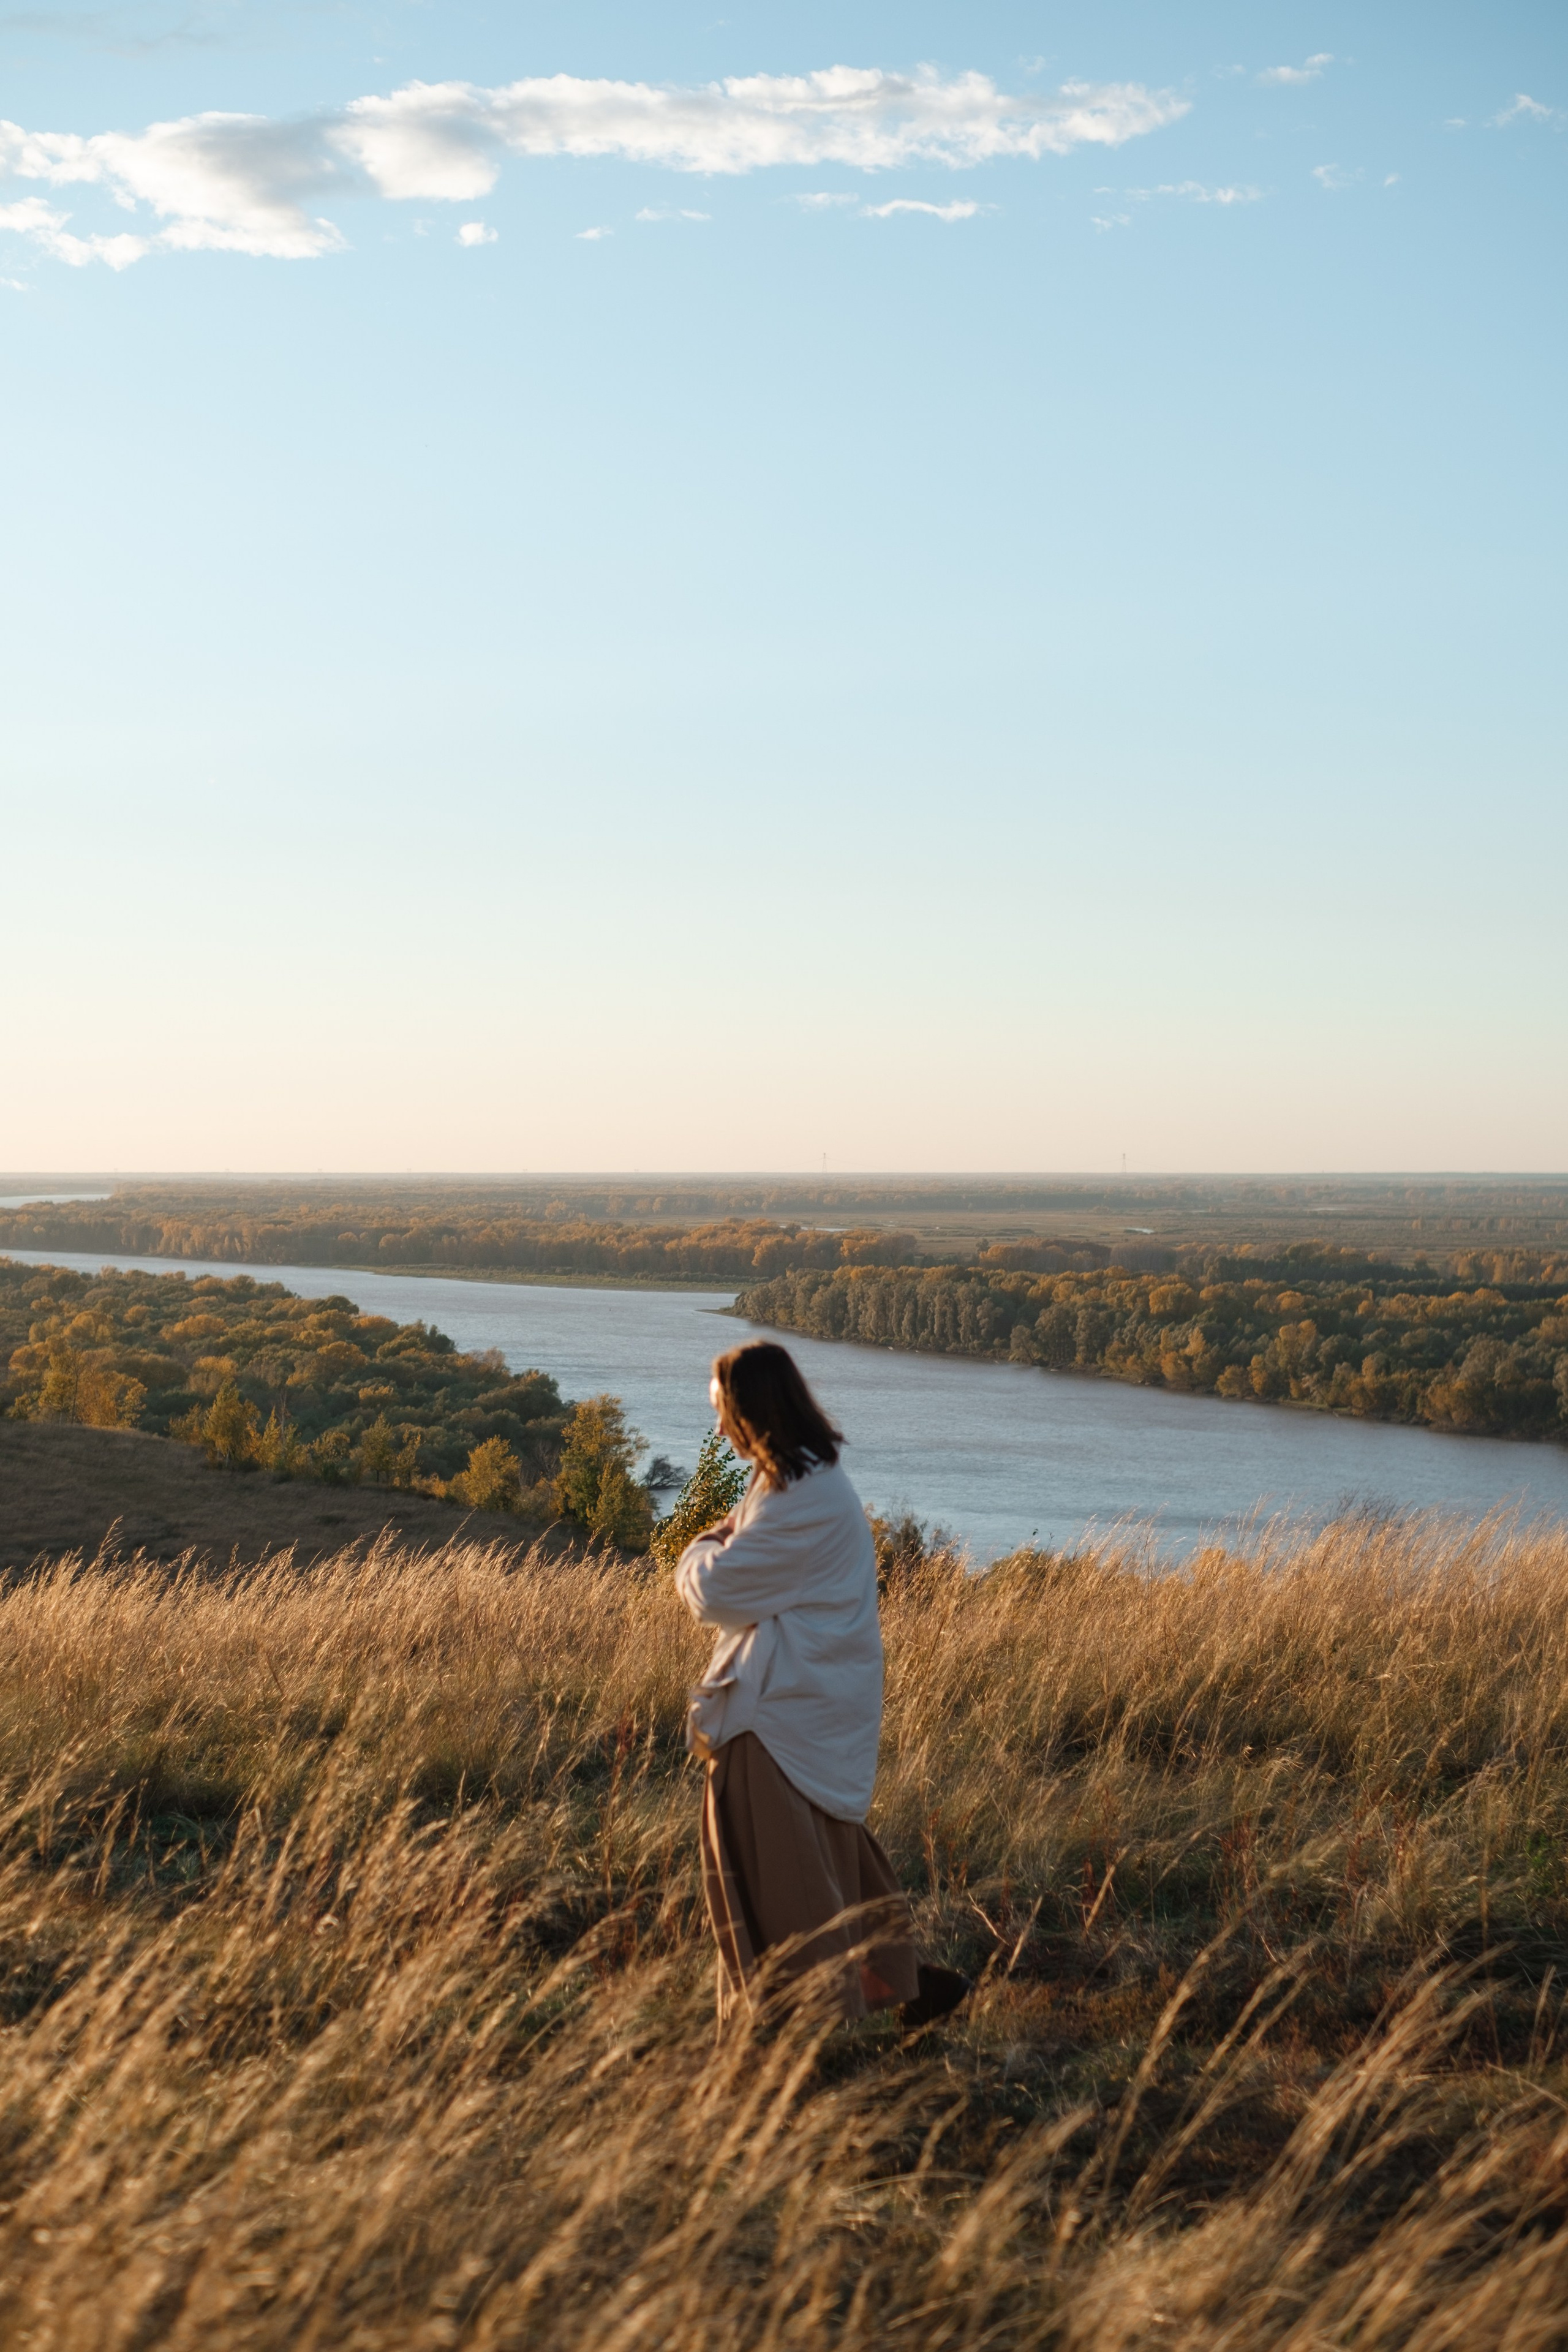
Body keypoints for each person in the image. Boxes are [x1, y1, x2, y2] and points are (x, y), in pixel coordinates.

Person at [674, 1339, 970, 2030]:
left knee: (780, 1880)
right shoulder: (805, 1482)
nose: (719, 1428)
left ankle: (802, 2026)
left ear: (754, 1412)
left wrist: (702, 1545)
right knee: (828, 1861)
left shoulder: (798, 1500)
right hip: (806, 1709)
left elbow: (712, 1594)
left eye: (723, 1413)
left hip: (778, 1717)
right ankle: (908, 1987)